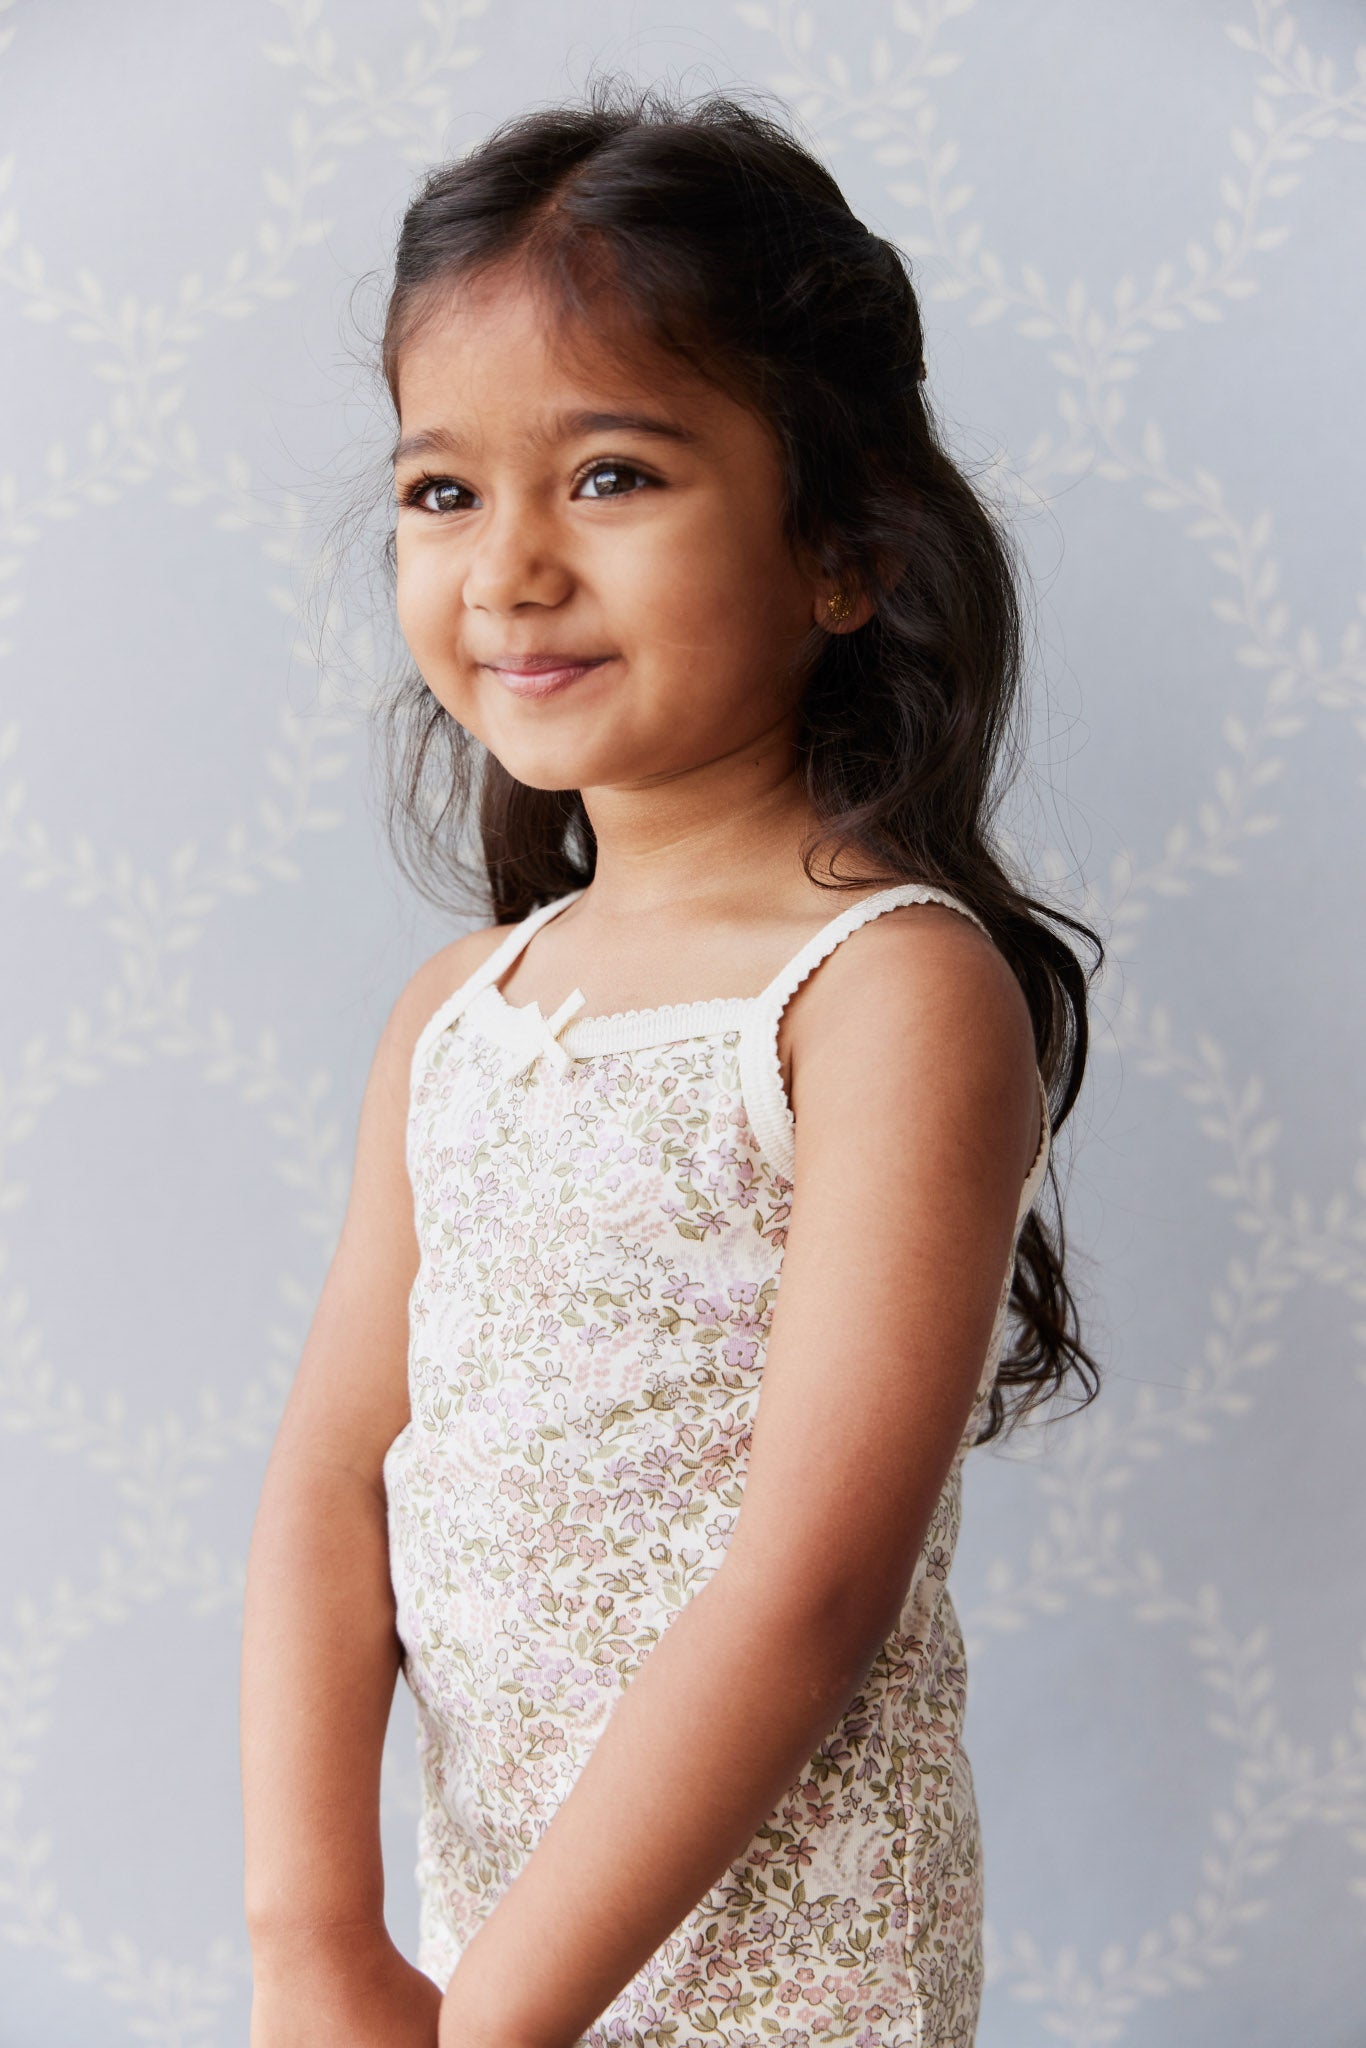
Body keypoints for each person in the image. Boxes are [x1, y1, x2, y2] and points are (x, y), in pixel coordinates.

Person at [240, 76, 1104, 2048]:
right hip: (490, 1948)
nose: (509, 566)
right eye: (443, 491)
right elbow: (329, 1483)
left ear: (841, 552)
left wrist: (495, 2021)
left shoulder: (879, 994)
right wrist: (315, 1938)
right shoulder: (460, 1016)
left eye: (612, 475)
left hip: (786, 1972)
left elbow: (806, 1591)